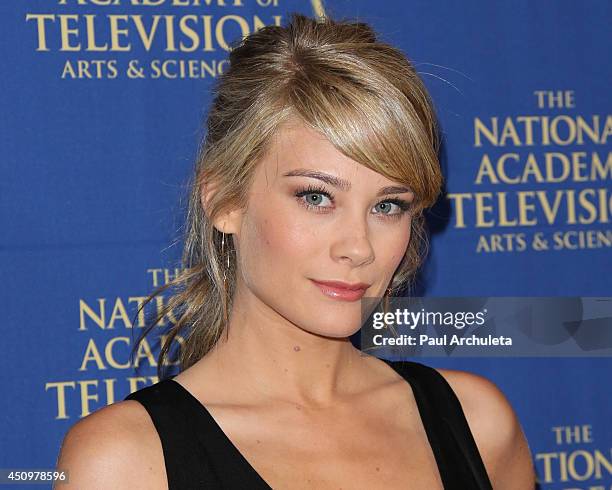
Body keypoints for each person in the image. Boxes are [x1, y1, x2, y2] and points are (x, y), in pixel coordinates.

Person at [55, 12, 536, 489]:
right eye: (316, 197)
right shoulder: (124, 463)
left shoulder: (478, 424)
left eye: (388, 205)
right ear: (224, 201)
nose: (358, 247)